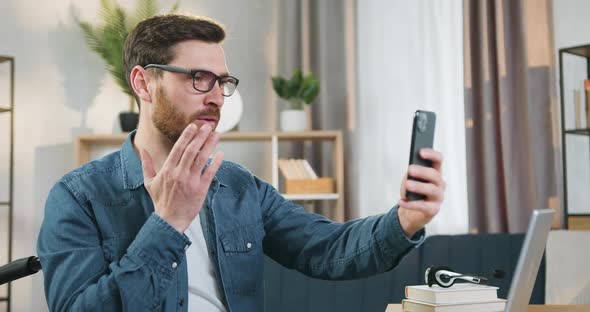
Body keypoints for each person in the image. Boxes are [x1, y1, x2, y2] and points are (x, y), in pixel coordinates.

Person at [37, 14, 445, 312]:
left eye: (222, 81)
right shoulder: (78, 197)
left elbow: (328, 249)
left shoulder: (238, 187)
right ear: (144, 83)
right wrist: (167, 223)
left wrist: (406, 219)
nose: (216, 96)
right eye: (198, 77)